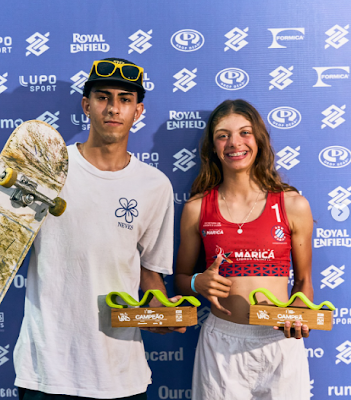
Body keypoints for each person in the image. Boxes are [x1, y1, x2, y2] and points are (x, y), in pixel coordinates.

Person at [14, 58, 184, 400]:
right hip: (46, 369)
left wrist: (164, 314)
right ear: (86, 105)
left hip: (120, 374)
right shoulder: (48, 170)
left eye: (125, 99)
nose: (113, 108)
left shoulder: (155, 185)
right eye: (103, 97)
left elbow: (150, 275)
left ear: (138, 111)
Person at [175, 99, 313, 400]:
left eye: (244, 132)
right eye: (223, 135)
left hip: (279, 343)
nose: (234, 143)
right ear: (212, 146)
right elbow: (182, 277)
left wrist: (301, 317)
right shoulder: (197, 208)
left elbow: (303, 283)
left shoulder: (292, 204)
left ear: (258, 140)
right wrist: (198, 282)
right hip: (222, 343)